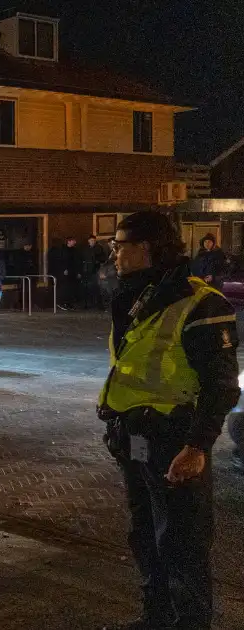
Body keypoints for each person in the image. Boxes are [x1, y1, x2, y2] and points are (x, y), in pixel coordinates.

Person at [99, 211, 238, 630]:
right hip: (134, 438)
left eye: (119, 245)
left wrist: (197, 446)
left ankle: (189, 623)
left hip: (174, 440)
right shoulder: (133, 297)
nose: (114, 253)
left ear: (146, 249)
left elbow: (221, 385)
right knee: (145, 536)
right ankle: (156, 618)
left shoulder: (201, 304)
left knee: (182, 543)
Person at [51, 237, 83, 310]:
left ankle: (69, 303)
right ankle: (62, 303)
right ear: (69, 241)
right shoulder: (62, 250)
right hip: (65, 273)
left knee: (72, 289)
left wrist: (78, 272)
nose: (75, 242)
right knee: (65, 288)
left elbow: (77, 262)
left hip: (73, 272)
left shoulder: (75, 250)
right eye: (73, 241)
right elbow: (59, 261)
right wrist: (63, 269)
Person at [82, 235, 109, 309]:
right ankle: (87, 304)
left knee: (97, 287)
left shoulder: (99, 248)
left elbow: (103, 258)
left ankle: (99, 304)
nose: (92, 242)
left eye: (93, 241)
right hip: (87, 271)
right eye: (91, 240)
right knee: (87, 287)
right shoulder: (85, 249)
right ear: (88, 241)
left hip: (96, 270)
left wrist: (97, 261)